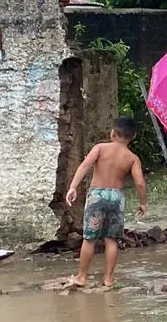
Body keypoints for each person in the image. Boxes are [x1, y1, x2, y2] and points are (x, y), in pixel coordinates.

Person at [63, 116, 147, 289]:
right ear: (133, 136)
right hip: (116, 197)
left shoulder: (100, 148)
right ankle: (108, 279)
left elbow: (84, 166)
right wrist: (142, 202)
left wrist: (73, 187)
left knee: (89, 239)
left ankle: (82, 277)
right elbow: (139, 182)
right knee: (112, 240)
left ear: (113, 133)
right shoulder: (132, 158)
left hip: (97, 195)